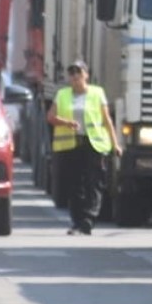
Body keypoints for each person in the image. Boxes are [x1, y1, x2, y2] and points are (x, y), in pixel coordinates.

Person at [45, 60, 121, 235]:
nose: (75, 76)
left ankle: (88, 219)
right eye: (71, 73)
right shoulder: (62, 94)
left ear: (86, 75)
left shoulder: (97, 93)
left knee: (94, 183)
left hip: (94, 144)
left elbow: (106, 120)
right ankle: (77, 222)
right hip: (71, 145)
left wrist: (115, 143)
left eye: (78, 72)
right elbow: (51, 116)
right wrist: (66, 122)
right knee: (74, 185)